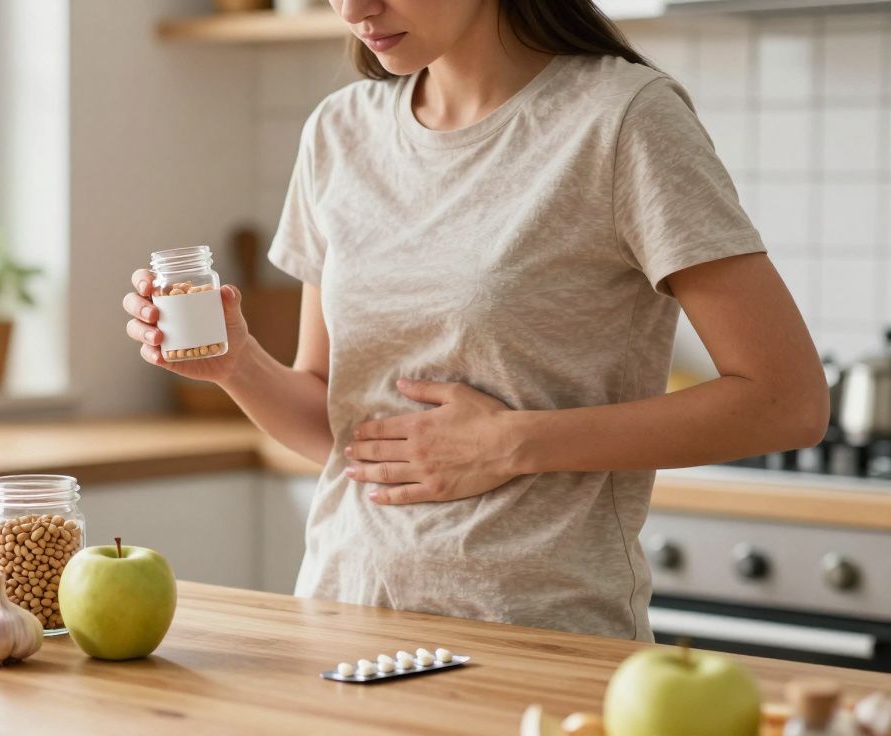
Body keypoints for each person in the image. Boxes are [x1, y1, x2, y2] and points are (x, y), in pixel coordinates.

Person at [122, 0, 828, 640]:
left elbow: (787, 401)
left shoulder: (622, 119)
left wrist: (511, 444)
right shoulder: (338, 131)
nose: (354, 9)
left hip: (540, 640)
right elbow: (343, 431)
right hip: (345, 624)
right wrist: (239, 364)